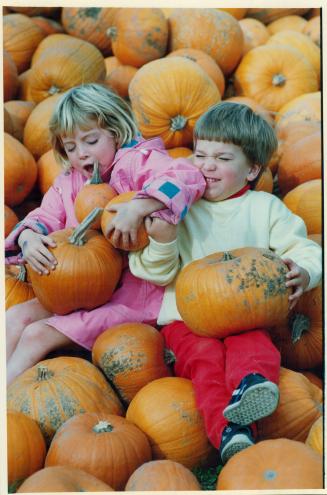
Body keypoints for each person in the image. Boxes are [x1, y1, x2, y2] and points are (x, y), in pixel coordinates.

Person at [129, 102, 322, 464]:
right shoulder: (181, 208)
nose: (207, 166)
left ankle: (251, 385)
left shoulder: (265, 208)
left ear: (251, 169)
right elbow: (155, 273)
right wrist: (165, 240)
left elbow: (305, 247)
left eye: (222, 158)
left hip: (246, 314)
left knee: (255, 344)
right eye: (200, 155)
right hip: (187, 321)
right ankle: (230, 433)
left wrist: (305, 270)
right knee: (205, 361)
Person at [5, 83, 206, 386]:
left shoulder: (137, 162)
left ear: (115, 131)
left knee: (36, 333)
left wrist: (140, 207)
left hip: (135, 298)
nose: (81, 154)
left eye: (91, 140)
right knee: (15, 317)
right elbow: (44, 217)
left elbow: (187, 176)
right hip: (82, 288)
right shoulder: (69, 182)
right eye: (71, 147)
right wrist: (28, 238)